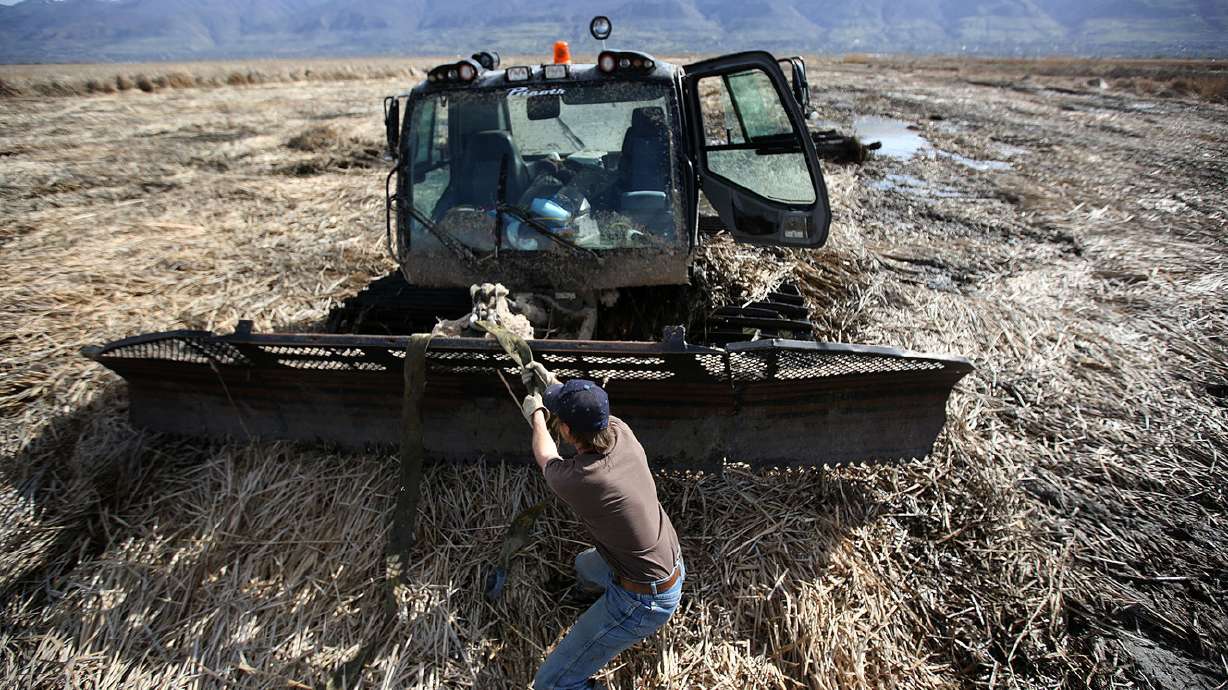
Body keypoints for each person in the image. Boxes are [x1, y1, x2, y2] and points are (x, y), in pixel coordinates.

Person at [520, 363, 684, 690]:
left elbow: (546, 455)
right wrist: (551, 383)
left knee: (550, 685)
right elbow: (587, 410)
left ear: (566, 430)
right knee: (583, 566)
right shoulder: (621, 432)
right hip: (665, 560)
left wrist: (536, 415)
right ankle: (589, 600)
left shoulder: (583, 479)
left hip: (643, 601)